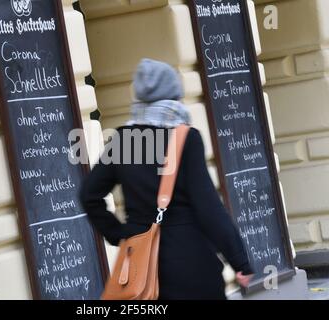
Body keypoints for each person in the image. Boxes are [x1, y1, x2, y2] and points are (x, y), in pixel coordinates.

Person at [80, 58, 253, 300]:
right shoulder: (186, 138)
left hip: (140, 269)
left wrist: (120, 234)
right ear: (174, 92)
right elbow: (208, 208)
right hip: (191, 264)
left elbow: (89, 195)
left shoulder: (122, 141)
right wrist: (241, 263)